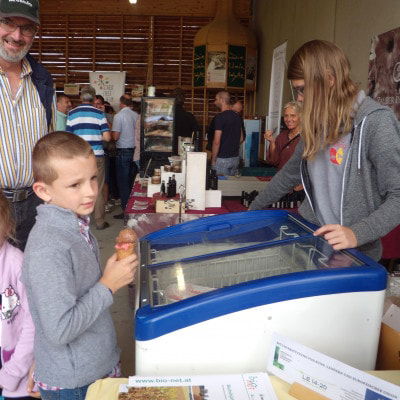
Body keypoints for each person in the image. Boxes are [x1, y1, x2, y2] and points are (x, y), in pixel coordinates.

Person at [250, 40, 400, 261]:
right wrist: (251, 214)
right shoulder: (316, 125)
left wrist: (357, 233)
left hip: (355, 257)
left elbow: (397, 195)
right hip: (312, 244)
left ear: (329, 79)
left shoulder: (376, 122)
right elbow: (287, 176)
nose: (299, 98)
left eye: (302, 89)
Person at [22, 132, 138, 400]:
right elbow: (60, 328)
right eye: (75, 185)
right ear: (43, 191)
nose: (90, 191)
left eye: (93, 178)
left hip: (94, 365)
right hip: (75, 382)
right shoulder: (49, 247)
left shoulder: (76, 225)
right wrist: (108, 285)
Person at [0, 0, 55, 250]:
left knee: (28, 279)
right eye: (7, 22)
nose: (16, 35)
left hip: (34, 203)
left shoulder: (41, 80)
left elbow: (49, 142)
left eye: (27, 27)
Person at [0, 191, 38, 400]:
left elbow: (33, 323)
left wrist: (13, 372)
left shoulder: (17, 264)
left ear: (7, 225)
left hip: (17, 373)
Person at [66, 85, 111, 230]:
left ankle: (77, 221)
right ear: (94, 98)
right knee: (96, 188)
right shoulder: (99, 114)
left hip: (78, 157)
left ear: (81, 97)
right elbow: (107, 137)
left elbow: (69, 137)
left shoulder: (72, 114)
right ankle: (99, 222)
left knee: (76, 187)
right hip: (96, 156)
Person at [111, 96, 139, 219]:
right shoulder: (136, 115)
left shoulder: (118, 116)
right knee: (133, 182)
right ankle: (134, 209)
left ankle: (126, 212)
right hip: (135, 151)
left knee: (123, 183)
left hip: (123, 151)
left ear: (121, 103)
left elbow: (115, 136)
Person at [211, 91, 243, 176]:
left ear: (221, 100)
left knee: (220, 186)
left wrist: (213, 160)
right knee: (231, 186)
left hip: (222, 159)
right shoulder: (238, 117)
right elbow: (241, 138)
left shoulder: (219, 117)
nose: (215, 102)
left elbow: (216, 142)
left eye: (216, 99)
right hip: (235, 159)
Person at [264, 102, 302, 170]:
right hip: (282, 178)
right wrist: (272, 142)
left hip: (297, 179)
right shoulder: (282, 136)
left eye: (293, 115)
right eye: (286, 116)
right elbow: (273, 161)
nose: (288, 119)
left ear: (301, 117)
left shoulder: (306, 138)